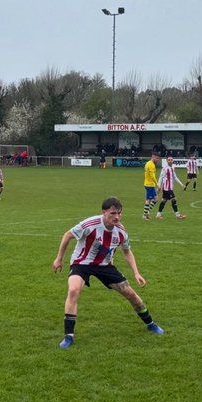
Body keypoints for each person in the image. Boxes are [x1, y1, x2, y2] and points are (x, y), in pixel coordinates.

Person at [52, 196, 163, 348]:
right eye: (112, 213)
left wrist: (136, 273)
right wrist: (59, 259)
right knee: (73, 290)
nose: (116, 217)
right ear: (104, 212)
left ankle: (151, 324)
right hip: (81, 263)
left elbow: (127, 252)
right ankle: (68, 336)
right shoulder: (90, 224)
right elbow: (68, 235)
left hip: (105, 266)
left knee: (131, 294)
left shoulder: (121, 232)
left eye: (119, 213)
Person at [141, 149, 161, 220]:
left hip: (148, 184)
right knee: (148, 200)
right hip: (149, 185)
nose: (158, 160)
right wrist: (157, 184)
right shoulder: (151, 165)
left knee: (156, 199)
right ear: (153, 157)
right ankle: (144, 215)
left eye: (158, 158)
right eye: (157, 158)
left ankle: (147, 212)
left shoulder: (148, 163)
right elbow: (152, 176)